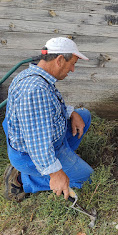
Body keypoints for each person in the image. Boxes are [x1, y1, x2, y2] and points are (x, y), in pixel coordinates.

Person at [2, 37, 93, 202]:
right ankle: (22, 180)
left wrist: (72, 113)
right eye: (72, 63)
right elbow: (37, 142)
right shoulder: (35, 90)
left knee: (84, 115)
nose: (72, 69)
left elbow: (49, 108)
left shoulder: (36, 76)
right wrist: (56, 173)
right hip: (31, 154)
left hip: (49, 140)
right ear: (59, 60)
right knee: (86, 179)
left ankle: (66, 161)